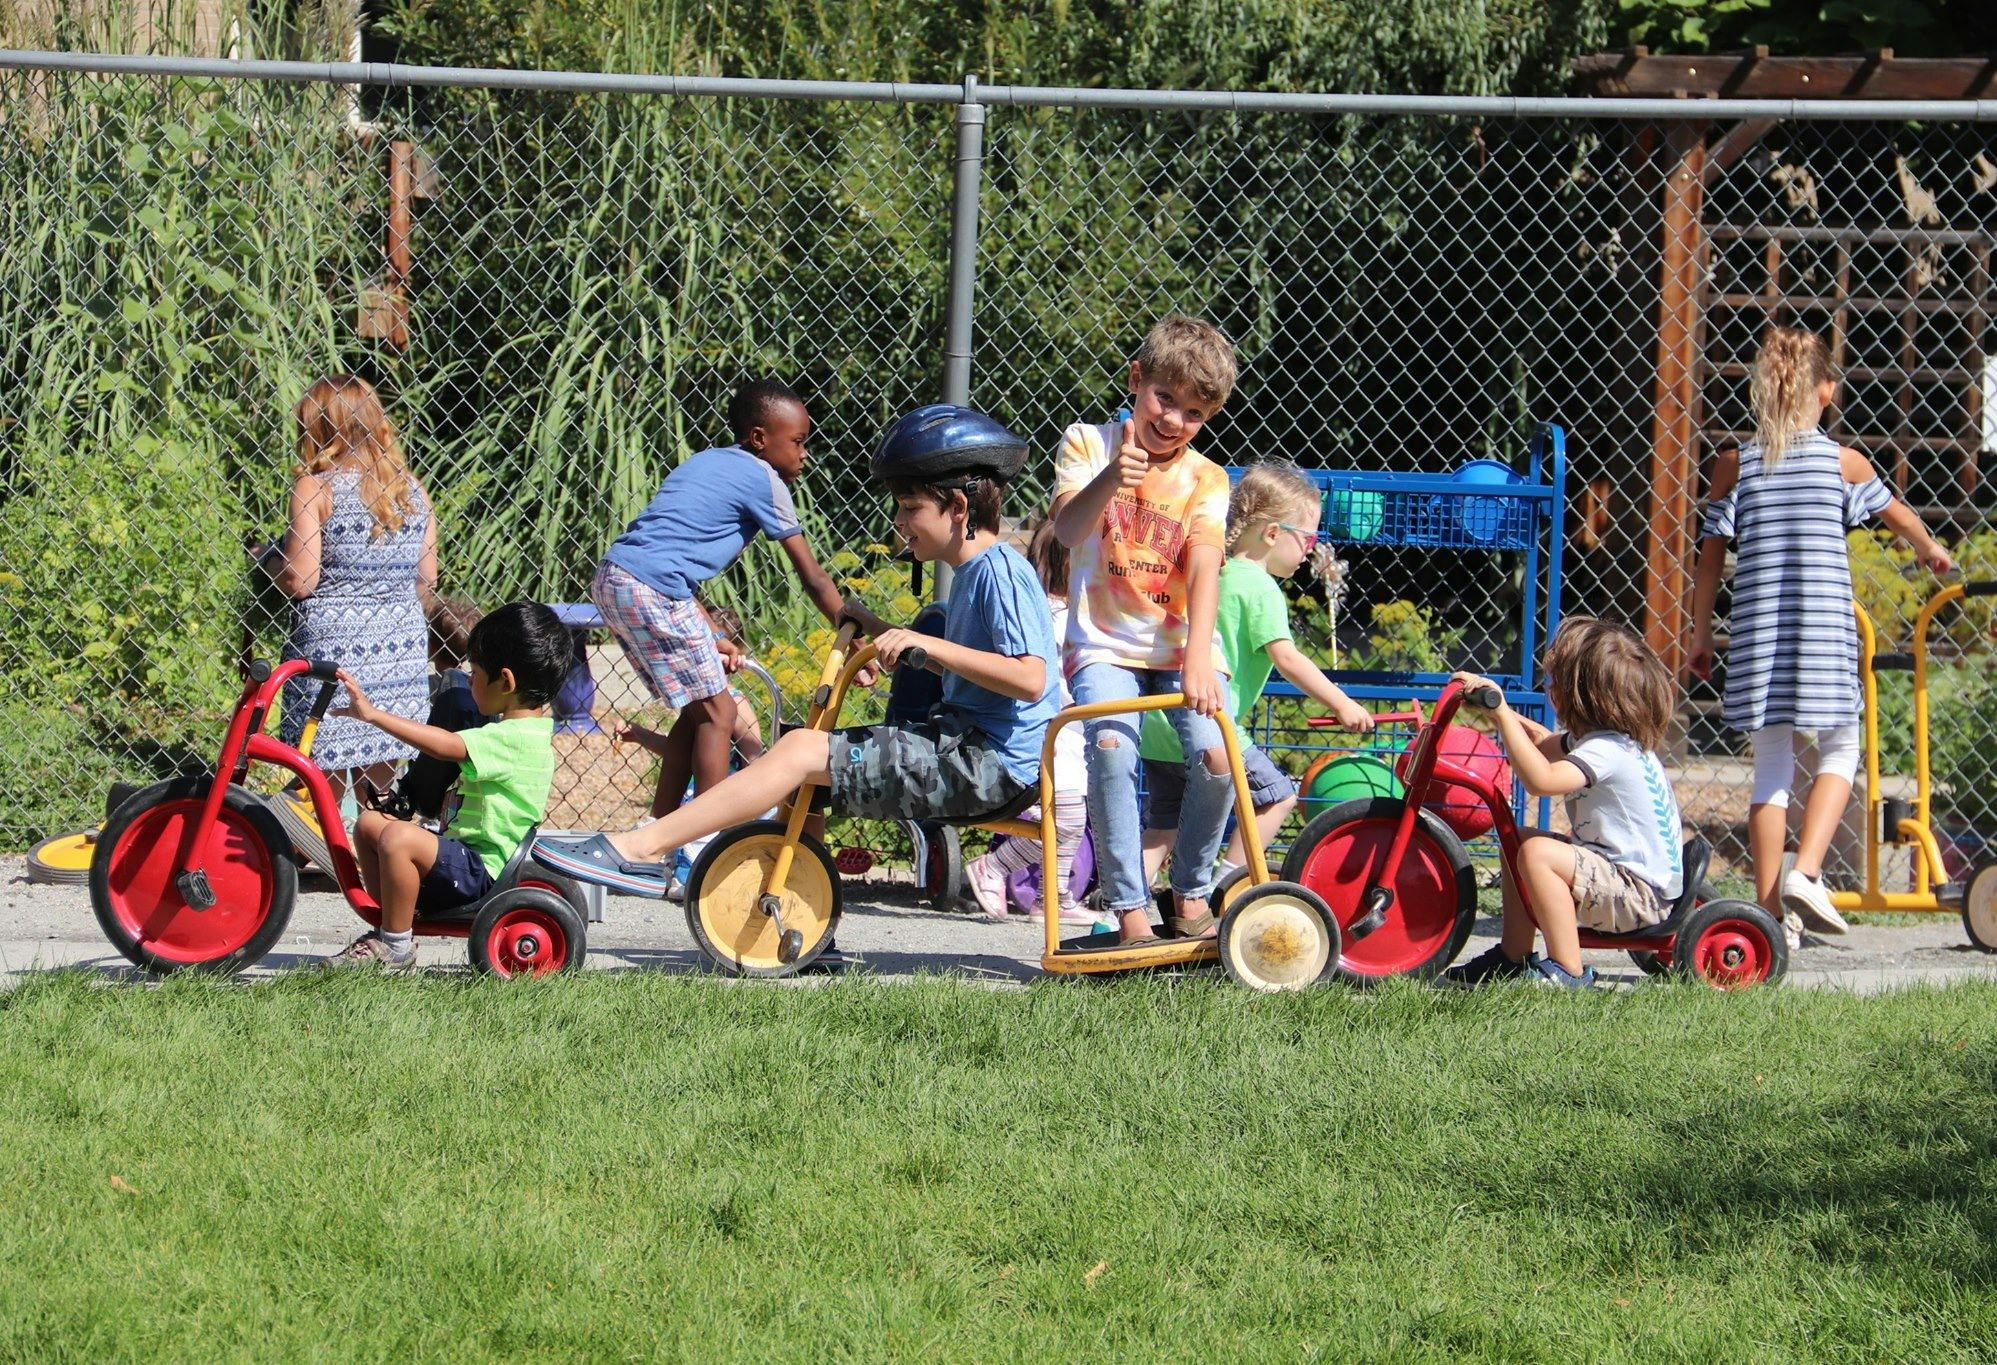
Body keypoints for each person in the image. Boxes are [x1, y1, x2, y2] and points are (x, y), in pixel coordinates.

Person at [534, 406, 1060, 965]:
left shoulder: (1000, 571)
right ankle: (808, 930)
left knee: (801, 752)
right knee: (799, 770)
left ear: (958, 507)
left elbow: (1031, 679)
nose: (899, 522)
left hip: (989, 767)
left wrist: (925, 645)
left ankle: (642, 848)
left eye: (911, 508)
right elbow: (972, 668)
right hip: (965, 752)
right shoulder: (977, 573)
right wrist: (878, 628)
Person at [1688, 325, 1953, 948]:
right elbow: (1897, 515)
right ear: (1826, 390)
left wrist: (1700, 634)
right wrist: (1930, 548)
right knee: (1840, 747)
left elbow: (1709, 559)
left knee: (1771, 768)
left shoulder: (1734, 464)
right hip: (1824, 633)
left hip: (1758, 636)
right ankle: (1806, 874)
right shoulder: (1843, 462)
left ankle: (1766, 916)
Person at [590, 377, 844, 853]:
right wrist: (852, 631)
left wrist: (711, 634)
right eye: (798, 442)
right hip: (654, 589)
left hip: (617, 578)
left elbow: (671, 561)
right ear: (760, 438)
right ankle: (704, 843)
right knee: (720, 712)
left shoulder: (707, 461)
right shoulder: (765, 479)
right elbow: (812, 576)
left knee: (697, 711)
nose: (804, 454)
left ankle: (657, 833)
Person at [1051, 315, 1236, 945]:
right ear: (1136, 379)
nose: (1173, 420)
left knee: (1216, 755)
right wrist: (1114, 478)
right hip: (1104, 644)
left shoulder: (1208, 479)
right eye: (1164, 398)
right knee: (1111, 747)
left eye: (1194, 413)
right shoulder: (1087, 443)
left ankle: (1189, 892)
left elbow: (1204, 567)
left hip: (1180, 644)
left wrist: (1198, 658)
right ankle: (1130, 912)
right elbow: (1067, 531)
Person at [1138, 461, 1375, 890]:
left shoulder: (1214, 572)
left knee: (1164, 825)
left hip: (1159, 724)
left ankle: (1116, 907)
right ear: (1272, 534)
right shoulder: (1260, 587)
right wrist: (1342, 703)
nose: (1310, 551)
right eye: (1309, 539)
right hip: (1210, 725)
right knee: (1277, 797)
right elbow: (1287, 658)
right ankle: (1226, 891)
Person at [324, 602, 573, 970]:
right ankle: (391, 923)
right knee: (369, 825)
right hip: (464, 858)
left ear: (506, 682)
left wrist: (374, 716)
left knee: (397, 838)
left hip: (481, 871)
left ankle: (395, 947)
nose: (468, 681)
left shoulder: (516, 739)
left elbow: (445, 745)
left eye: (475, 673)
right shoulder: (517, 732)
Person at [1443, 618, 1685, 989]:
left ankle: (1568, 970)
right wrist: (1493, 708)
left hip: (1637, 896)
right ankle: (1514, 955)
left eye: (1555, 680)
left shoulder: (1607, 750)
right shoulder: (1604, 741)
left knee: (1537, 854)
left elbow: (1541, 780)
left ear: (1582, 695)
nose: (1549, 686)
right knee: (1517, 840)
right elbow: (1543, 744)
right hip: (1627, 883)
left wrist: (1502, 714)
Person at [258, 374, 437, 809]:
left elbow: (301, 579)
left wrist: (267, 559)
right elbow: (426, 580)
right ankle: (379, 836)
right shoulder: (412, 490)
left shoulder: (315, 488)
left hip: (333, 654)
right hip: (398, 649)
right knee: (380, 785)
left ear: (317, 428)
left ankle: (309, 832)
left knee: (320, 779)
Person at [964, 515, 1097, 927]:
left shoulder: (1057, 611)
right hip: (1056, 729)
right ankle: (994, 867)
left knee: (1068, 818)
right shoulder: (1060, 616)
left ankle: (1051, 897)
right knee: (1066, 819)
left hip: (1068, 730)